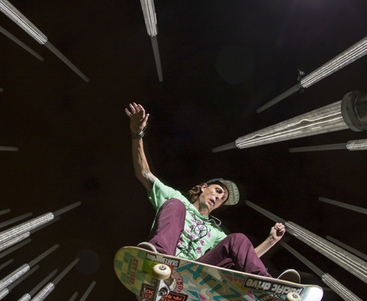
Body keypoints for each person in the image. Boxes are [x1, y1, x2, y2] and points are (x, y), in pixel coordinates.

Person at [125, 101, 300, 283]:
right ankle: (159, 260)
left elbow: (245, 258)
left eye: (222, 198)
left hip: (189, 278)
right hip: (161, 270)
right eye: (217, 191)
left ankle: (265, 286)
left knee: (238, 240)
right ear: (203, 187)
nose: (218, 198)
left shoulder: (215, 232)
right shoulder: (176, 199)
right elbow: (144, 174)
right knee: (175, 205)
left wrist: (271, 241)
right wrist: (137, 134)